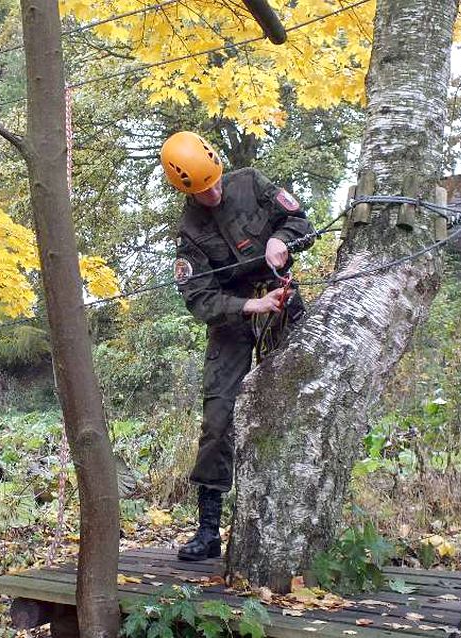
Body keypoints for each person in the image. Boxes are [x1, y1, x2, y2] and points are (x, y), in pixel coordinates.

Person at [161, 131, 315, 562]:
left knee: (292, 404)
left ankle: (292, 516)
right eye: (201, 190)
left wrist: (281, 240)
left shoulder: (250, 183)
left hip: (281, 303)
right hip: (232, 321)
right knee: (217, 420)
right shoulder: (189, 231)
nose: (212, 193)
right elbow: (199, 298)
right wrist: (249, 304)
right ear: (185, 189)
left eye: (214, 182)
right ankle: (209, 530)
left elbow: (303, 222)